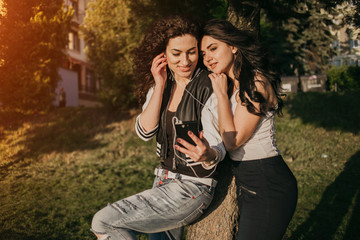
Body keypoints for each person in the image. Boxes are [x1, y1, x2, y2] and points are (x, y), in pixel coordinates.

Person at [91, 15, 225, 240]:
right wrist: (160, 83)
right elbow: (144, 132)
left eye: (192, 52)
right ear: (163, 53)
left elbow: (220, 147)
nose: (185, 61)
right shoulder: (161, 83)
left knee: (103, 222)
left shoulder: (208, 86)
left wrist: (208, 154)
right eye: (176, 53)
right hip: (162, 182)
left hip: (193, 188)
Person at [200, 19, 298, 240]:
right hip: (249, 183)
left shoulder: (256, 83)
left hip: (269, 183)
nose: (207, 58)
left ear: (233, 47)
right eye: (204, 53)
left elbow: (232, 141)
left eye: (213, 48)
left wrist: (221, 96)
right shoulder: (233, 85)